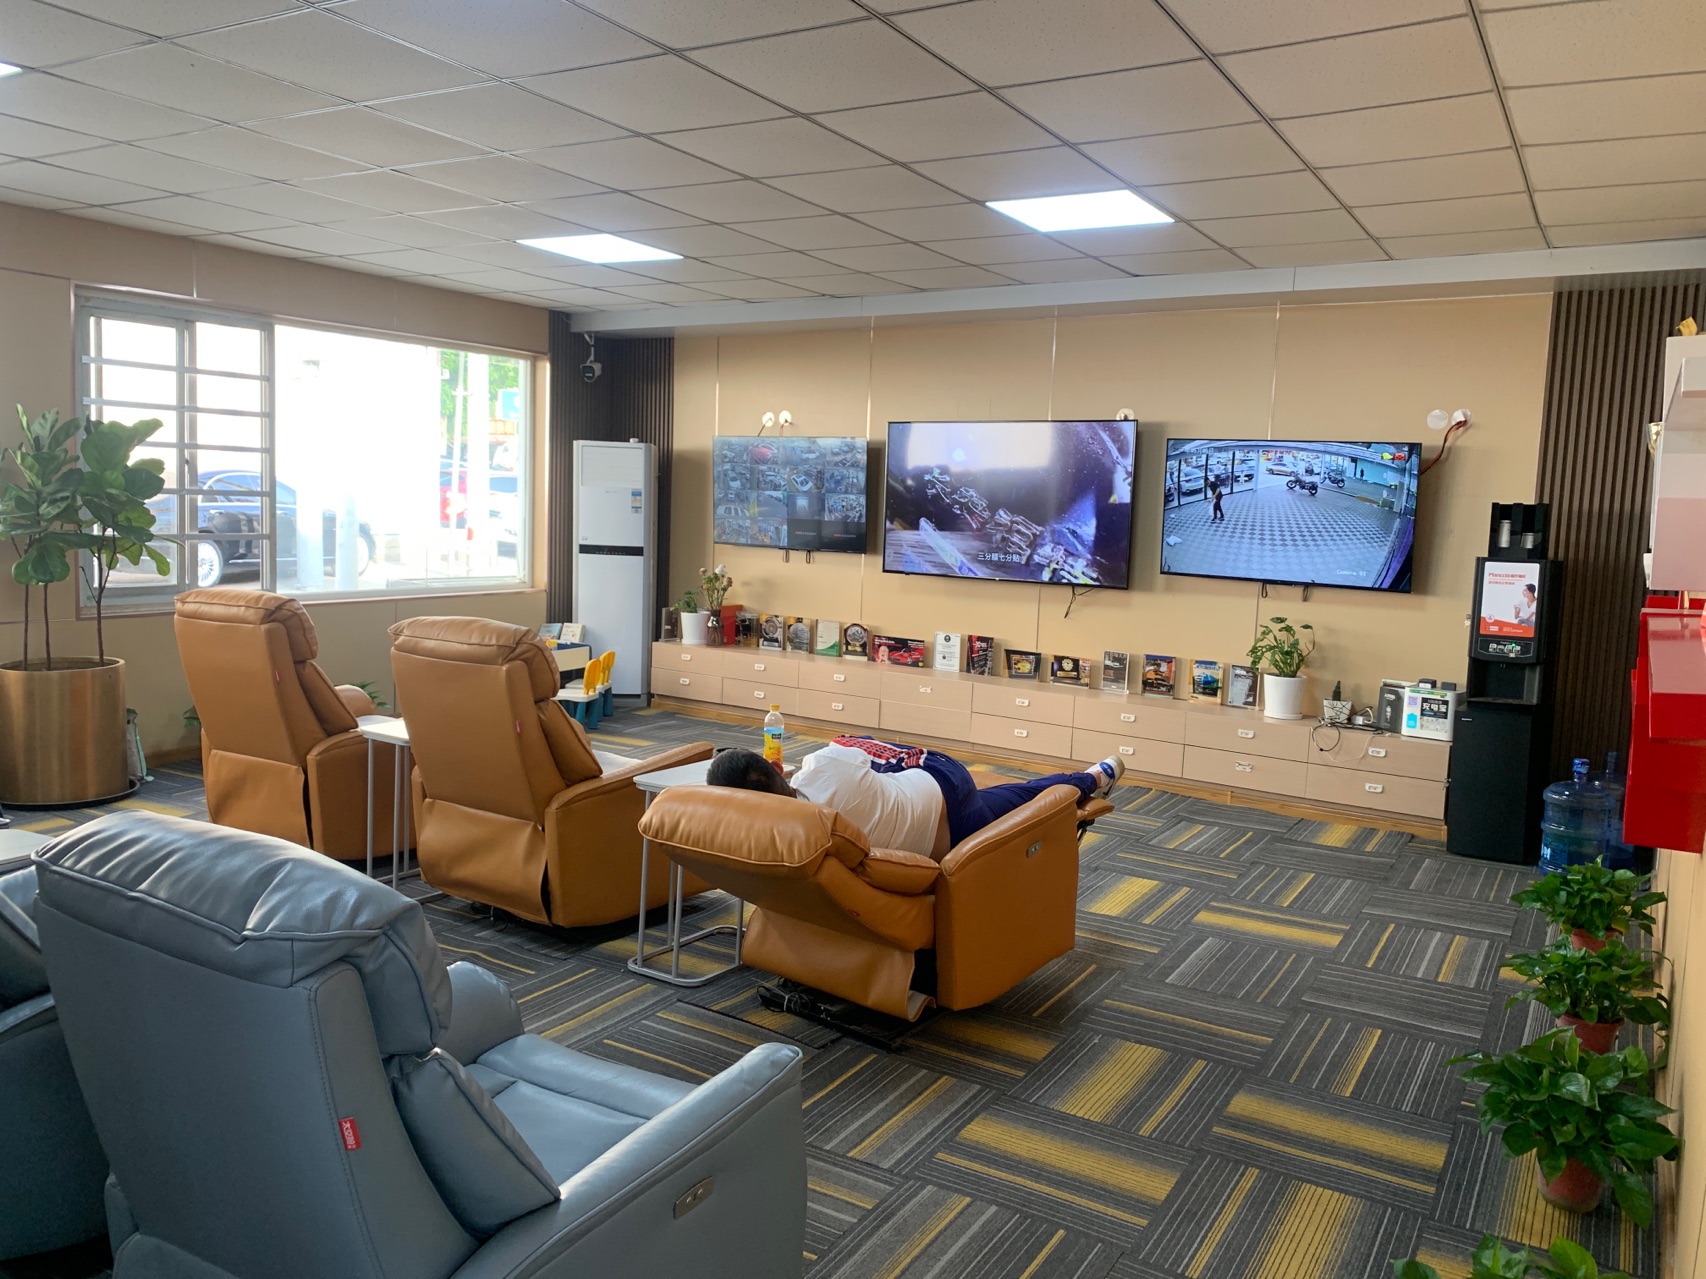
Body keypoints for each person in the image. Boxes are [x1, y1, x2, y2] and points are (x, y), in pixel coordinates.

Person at [706, 739, 1124, 858]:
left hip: (941, 839)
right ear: (777, 768)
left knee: (1004, 799)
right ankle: (1087, 780)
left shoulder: (757, 846)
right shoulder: (822, 766)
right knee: (863, 746)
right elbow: (855, 746)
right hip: (947, 787)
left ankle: (1088, 779)